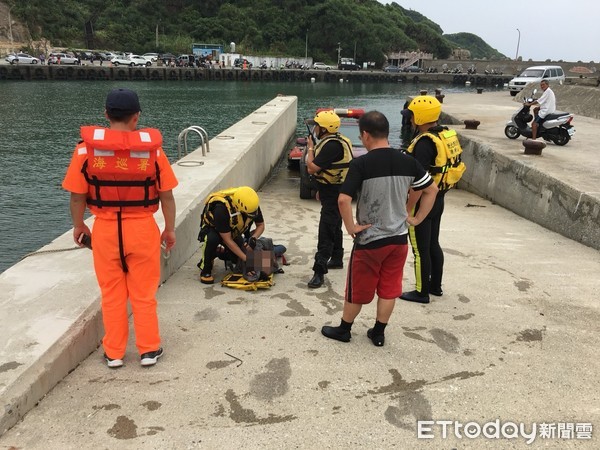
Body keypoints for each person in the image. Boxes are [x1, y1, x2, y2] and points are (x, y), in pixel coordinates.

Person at [62, 88, 178, 369]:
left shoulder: (84, 151)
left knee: (112, 293)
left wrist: (79, 225)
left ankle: (114, 352)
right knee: (143, 293)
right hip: (142, 229)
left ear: (106, 115)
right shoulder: (153, 152)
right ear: (136, 116)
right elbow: (166, 195)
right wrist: (169, 230)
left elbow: (77, 196)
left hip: (104, 230)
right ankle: (149, 350)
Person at [321, 111, 438, 347]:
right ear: (386, 132)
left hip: (370, 240)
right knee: (388, 288)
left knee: (358, 288)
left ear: (365, 135)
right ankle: (378, 332)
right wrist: (415, 218)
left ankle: (344, 329)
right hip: (398, 239)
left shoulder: (361, 163)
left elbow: (343, 199)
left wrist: (351, 227)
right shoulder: (407, 160)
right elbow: (431, 189)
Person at [400, 95, 466, 304]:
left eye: (411, 116)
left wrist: (409, 209)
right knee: (433, 243)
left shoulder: (424, 143)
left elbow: (419, 182)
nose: (409, 120)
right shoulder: (445, 135)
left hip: (423, 203)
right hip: (439, 199)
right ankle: (435, 286)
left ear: (419, 117)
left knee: (420, 249)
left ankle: (421, 292)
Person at [305, 110, 353, 288]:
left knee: (326, 229)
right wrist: (320, 189)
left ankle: (319, 270)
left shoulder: (331, 145)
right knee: (335, 224)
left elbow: (311, 168)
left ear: (323, 129)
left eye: (317, 125)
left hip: (334, 193)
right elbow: (330, 170)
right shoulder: (339, 140)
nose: (315, 128)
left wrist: (310, 147)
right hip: (334, 189)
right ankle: (337, 257)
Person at [197, 186, 265, 284]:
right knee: (213, 239)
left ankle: (219, 252)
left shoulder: (251, 205)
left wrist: (253, 238)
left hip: (232, 231)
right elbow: (227, 240)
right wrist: (247, 260)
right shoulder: (221, 209)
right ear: (240, 207)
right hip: (214, 230)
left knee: (237, 260)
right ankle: (206, 268)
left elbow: (261, 225)